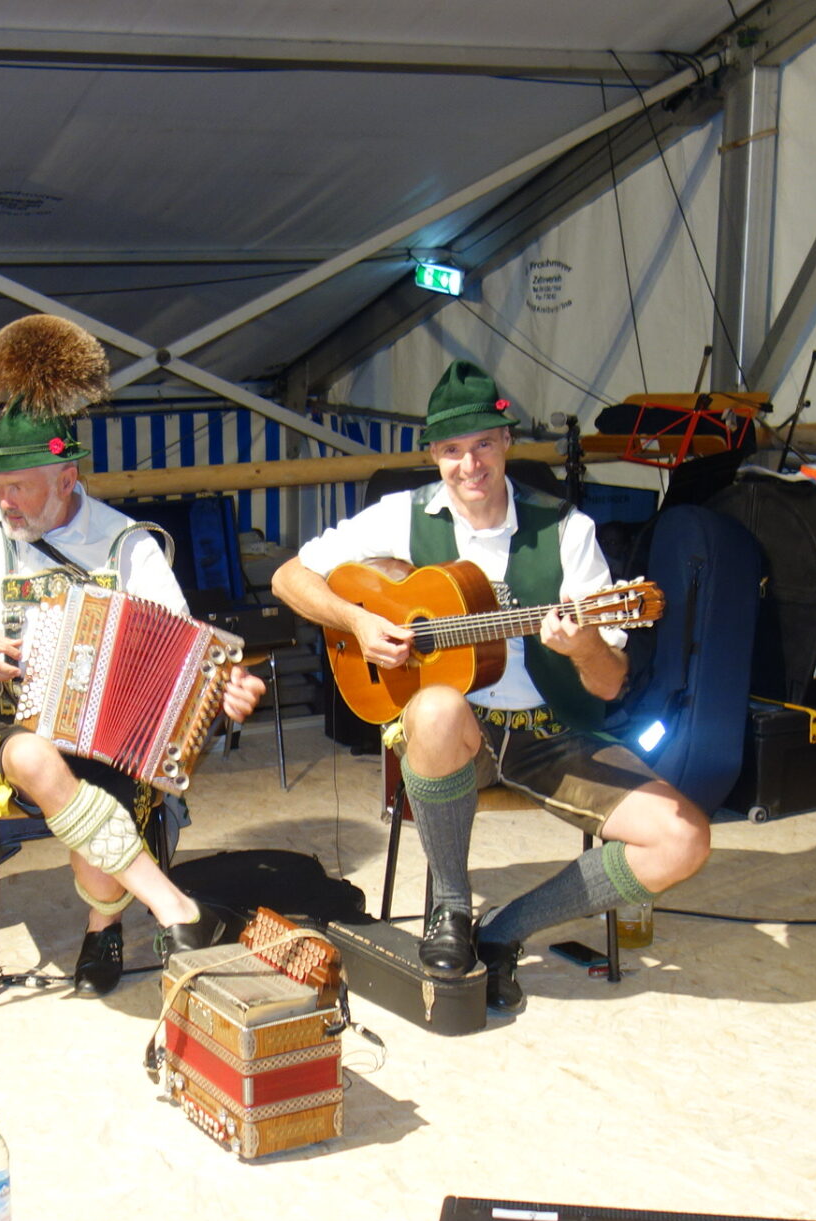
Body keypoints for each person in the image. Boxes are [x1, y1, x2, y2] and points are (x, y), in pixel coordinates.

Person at [271, 360, 711, 1009]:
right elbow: (288, 577)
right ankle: (449, 905)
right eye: (452, 449)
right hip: (453, 735)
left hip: (552, 729)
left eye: (482, 444)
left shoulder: (567, 531)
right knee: (438, 707)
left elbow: (610, 684)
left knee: (684, 839)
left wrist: (584, 643)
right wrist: (357, 621)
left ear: (507, 441)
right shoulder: (400, 516)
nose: (469, 464)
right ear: (433, 455)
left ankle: (507, 927)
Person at [0, 315, 265, 995]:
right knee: (31, 757)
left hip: (112, 737)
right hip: (9, 723)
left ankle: (102, 923)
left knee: (97, 825)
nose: (4, 502)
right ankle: (171, 906)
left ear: (67, 476)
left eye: (20, 487)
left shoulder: (127, 542)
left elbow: (188, 649)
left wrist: (226, 685)